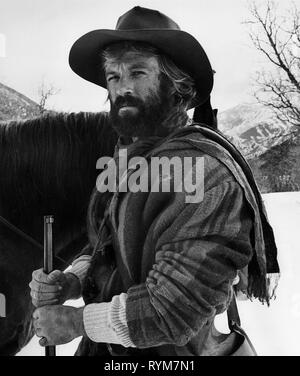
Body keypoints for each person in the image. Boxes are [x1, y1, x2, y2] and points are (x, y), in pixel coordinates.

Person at [29, 6, 279, 356]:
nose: (122, 87)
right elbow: (109, 245)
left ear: (177, 87)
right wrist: (72, 281)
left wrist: (74, 322)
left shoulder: (204, 173)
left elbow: (172, 309)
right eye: (113, 77)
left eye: (138, 72)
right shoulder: (127, 161)